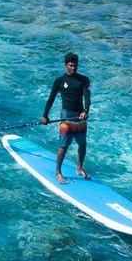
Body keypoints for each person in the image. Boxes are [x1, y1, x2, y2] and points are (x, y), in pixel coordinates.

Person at [41, 52, 91, 184]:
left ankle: (79, 168)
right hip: (66, 116)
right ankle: (58, 172)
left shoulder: (84, 80)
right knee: (64, 145)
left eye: (75, 66)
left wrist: (86, 111)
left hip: (80, 116)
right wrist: (45, 115)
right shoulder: (59, 81)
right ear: (65, 65)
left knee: (82, 144)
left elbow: (87, 97)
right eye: (71, 66)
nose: (73, 68)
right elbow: (51, 99)